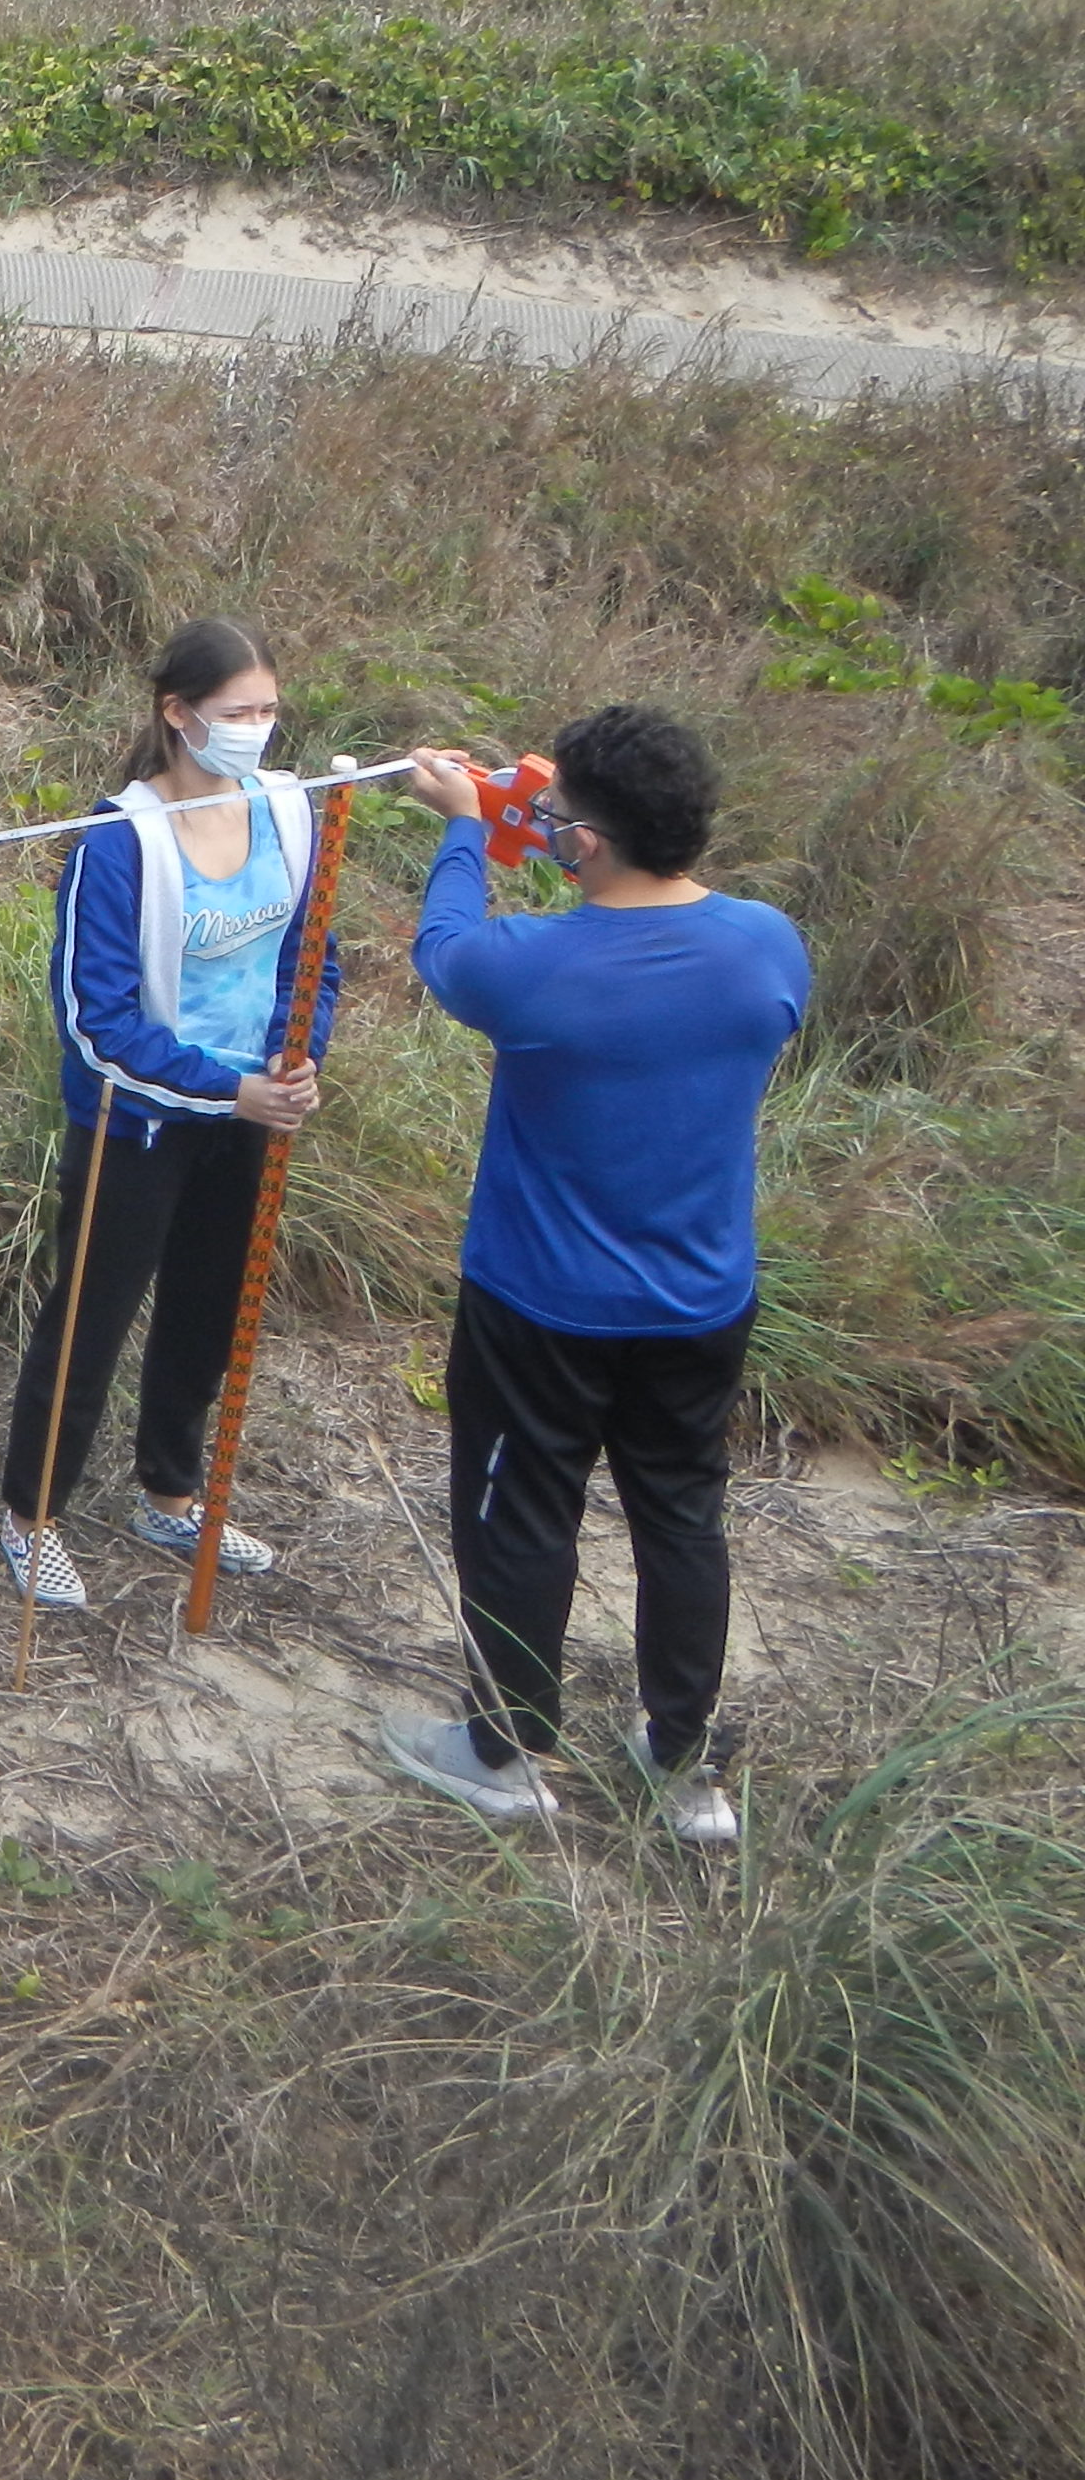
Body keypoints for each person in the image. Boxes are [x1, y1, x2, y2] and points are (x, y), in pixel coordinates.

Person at [379, 709, 806, 1841]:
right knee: (680, 1516)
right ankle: (681, 1765)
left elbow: (444, 949)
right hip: (702, 1301)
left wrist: (466, 825)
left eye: (563, 818)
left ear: (590, 844)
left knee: (520, 1516)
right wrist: (529, 810)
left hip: (540, 1304)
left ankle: (502, 1750)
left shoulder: (531, 970)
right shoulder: (770, 946)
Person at [0, 617, 341, 1609]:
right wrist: (227, 1086)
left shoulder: (287, 811)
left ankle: (169, 1493)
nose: (257, 730)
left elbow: (315, 955)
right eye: (237, 713)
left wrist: (299, 1055)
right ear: (177, 715)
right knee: (91, 1318)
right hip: (135, 1120)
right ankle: (31, 1515)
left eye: (269, 710)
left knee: (208, 1307)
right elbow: (93, 1022)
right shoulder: (118, 841)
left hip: (251, 1109)